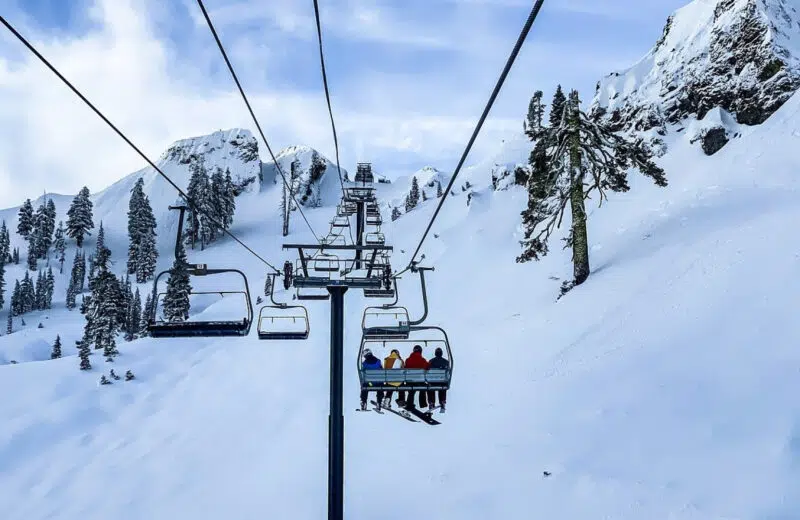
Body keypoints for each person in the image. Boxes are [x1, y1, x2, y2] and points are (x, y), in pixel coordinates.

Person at [404, 344, 429, 409]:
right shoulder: (423, 360)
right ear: (420, 351)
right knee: (423, 387)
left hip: (410, 381)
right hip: (419, 381)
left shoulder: (408, 360)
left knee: (412, 391)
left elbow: (405, 368)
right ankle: (423, 404)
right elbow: (428, 367)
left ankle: (409, 404)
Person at [426, 347, 449, 412]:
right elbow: (448, 373)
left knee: (430, 387)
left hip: (433, 382)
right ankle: (442, 402)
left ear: (435, 354)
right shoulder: (446, 362)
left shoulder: (431, 361)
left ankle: (431, 402)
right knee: (443, 387)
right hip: (442, 382)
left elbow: (427, 371)